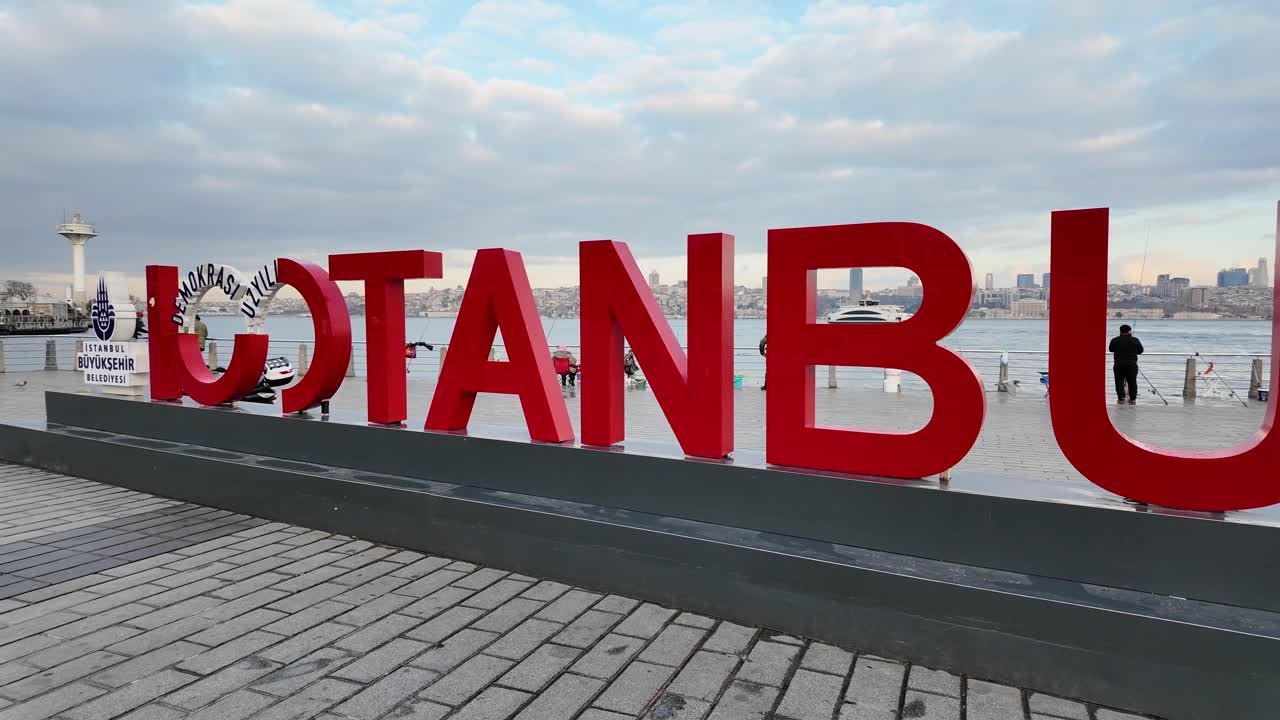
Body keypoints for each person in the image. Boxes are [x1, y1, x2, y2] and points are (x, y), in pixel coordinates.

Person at [1109, 324, 1144, 404]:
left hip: (1118, 364)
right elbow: (1140, 351)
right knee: (1132, 382)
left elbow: (1111, 349)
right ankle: (1132, 399)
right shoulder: (1135, 340)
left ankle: (1121, 398)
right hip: (1131, 364)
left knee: (1119, 381)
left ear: (1120, 331)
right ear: (1129, 331)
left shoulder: (1114, 340)